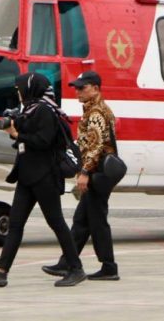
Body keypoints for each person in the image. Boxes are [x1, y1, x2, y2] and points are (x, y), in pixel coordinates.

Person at [0, 73, 86, 288]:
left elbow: (43, 142)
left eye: (19, 89)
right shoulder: (29, 110)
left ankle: (76, 268)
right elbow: (27, 138)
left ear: (29, 89)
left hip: (45, 177)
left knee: (56, 223)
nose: (17, 93)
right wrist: (14, 131)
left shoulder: (45, 111)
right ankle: (1, 270)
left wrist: (17, 135)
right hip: (28, 176)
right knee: (16, 224)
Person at [42, 71, 121, 281]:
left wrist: (84, 172)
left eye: (82, 88)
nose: (77, 92)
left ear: (95, 88)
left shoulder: (96, 113)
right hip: (96, 172)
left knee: (96, 220)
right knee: (83, 220)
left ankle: (109, 267)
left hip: (96, 173)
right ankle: (68, 261)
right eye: (76, 88)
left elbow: (95, 147)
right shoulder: (95, 110)